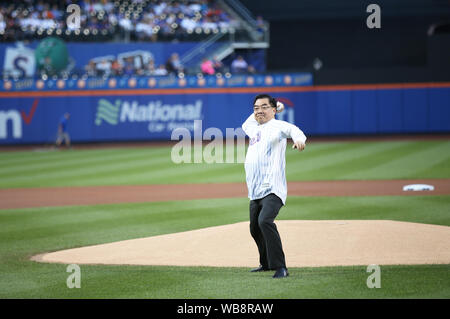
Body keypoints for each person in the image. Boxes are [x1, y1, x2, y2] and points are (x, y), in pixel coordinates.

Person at [242, 94, 306, 278]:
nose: (259, 111)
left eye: (263, 107)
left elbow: (295, 131)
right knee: (254, 227)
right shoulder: (253, 128)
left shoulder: (279, 126)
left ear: (273, 110)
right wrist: (273, 105)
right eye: (256, 108)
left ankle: (281, 268)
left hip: (273, 188)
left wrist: (299, 140)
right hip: (255, 191)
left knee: (265, 221)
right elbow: (248, 121)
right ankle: (266, 263)